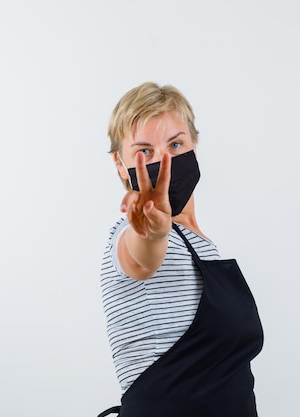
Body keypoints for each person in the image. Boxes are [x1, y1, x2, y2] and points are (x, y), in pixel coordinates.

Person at [98, 82, 264, 417]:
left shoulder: (204, 247)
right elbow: (142, 257)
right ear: (120, 165)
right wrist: (152, 233)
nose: (164, 159)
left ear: (195, 147)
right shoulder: (135, 232)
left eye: (176, 144)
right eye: (144, 151)